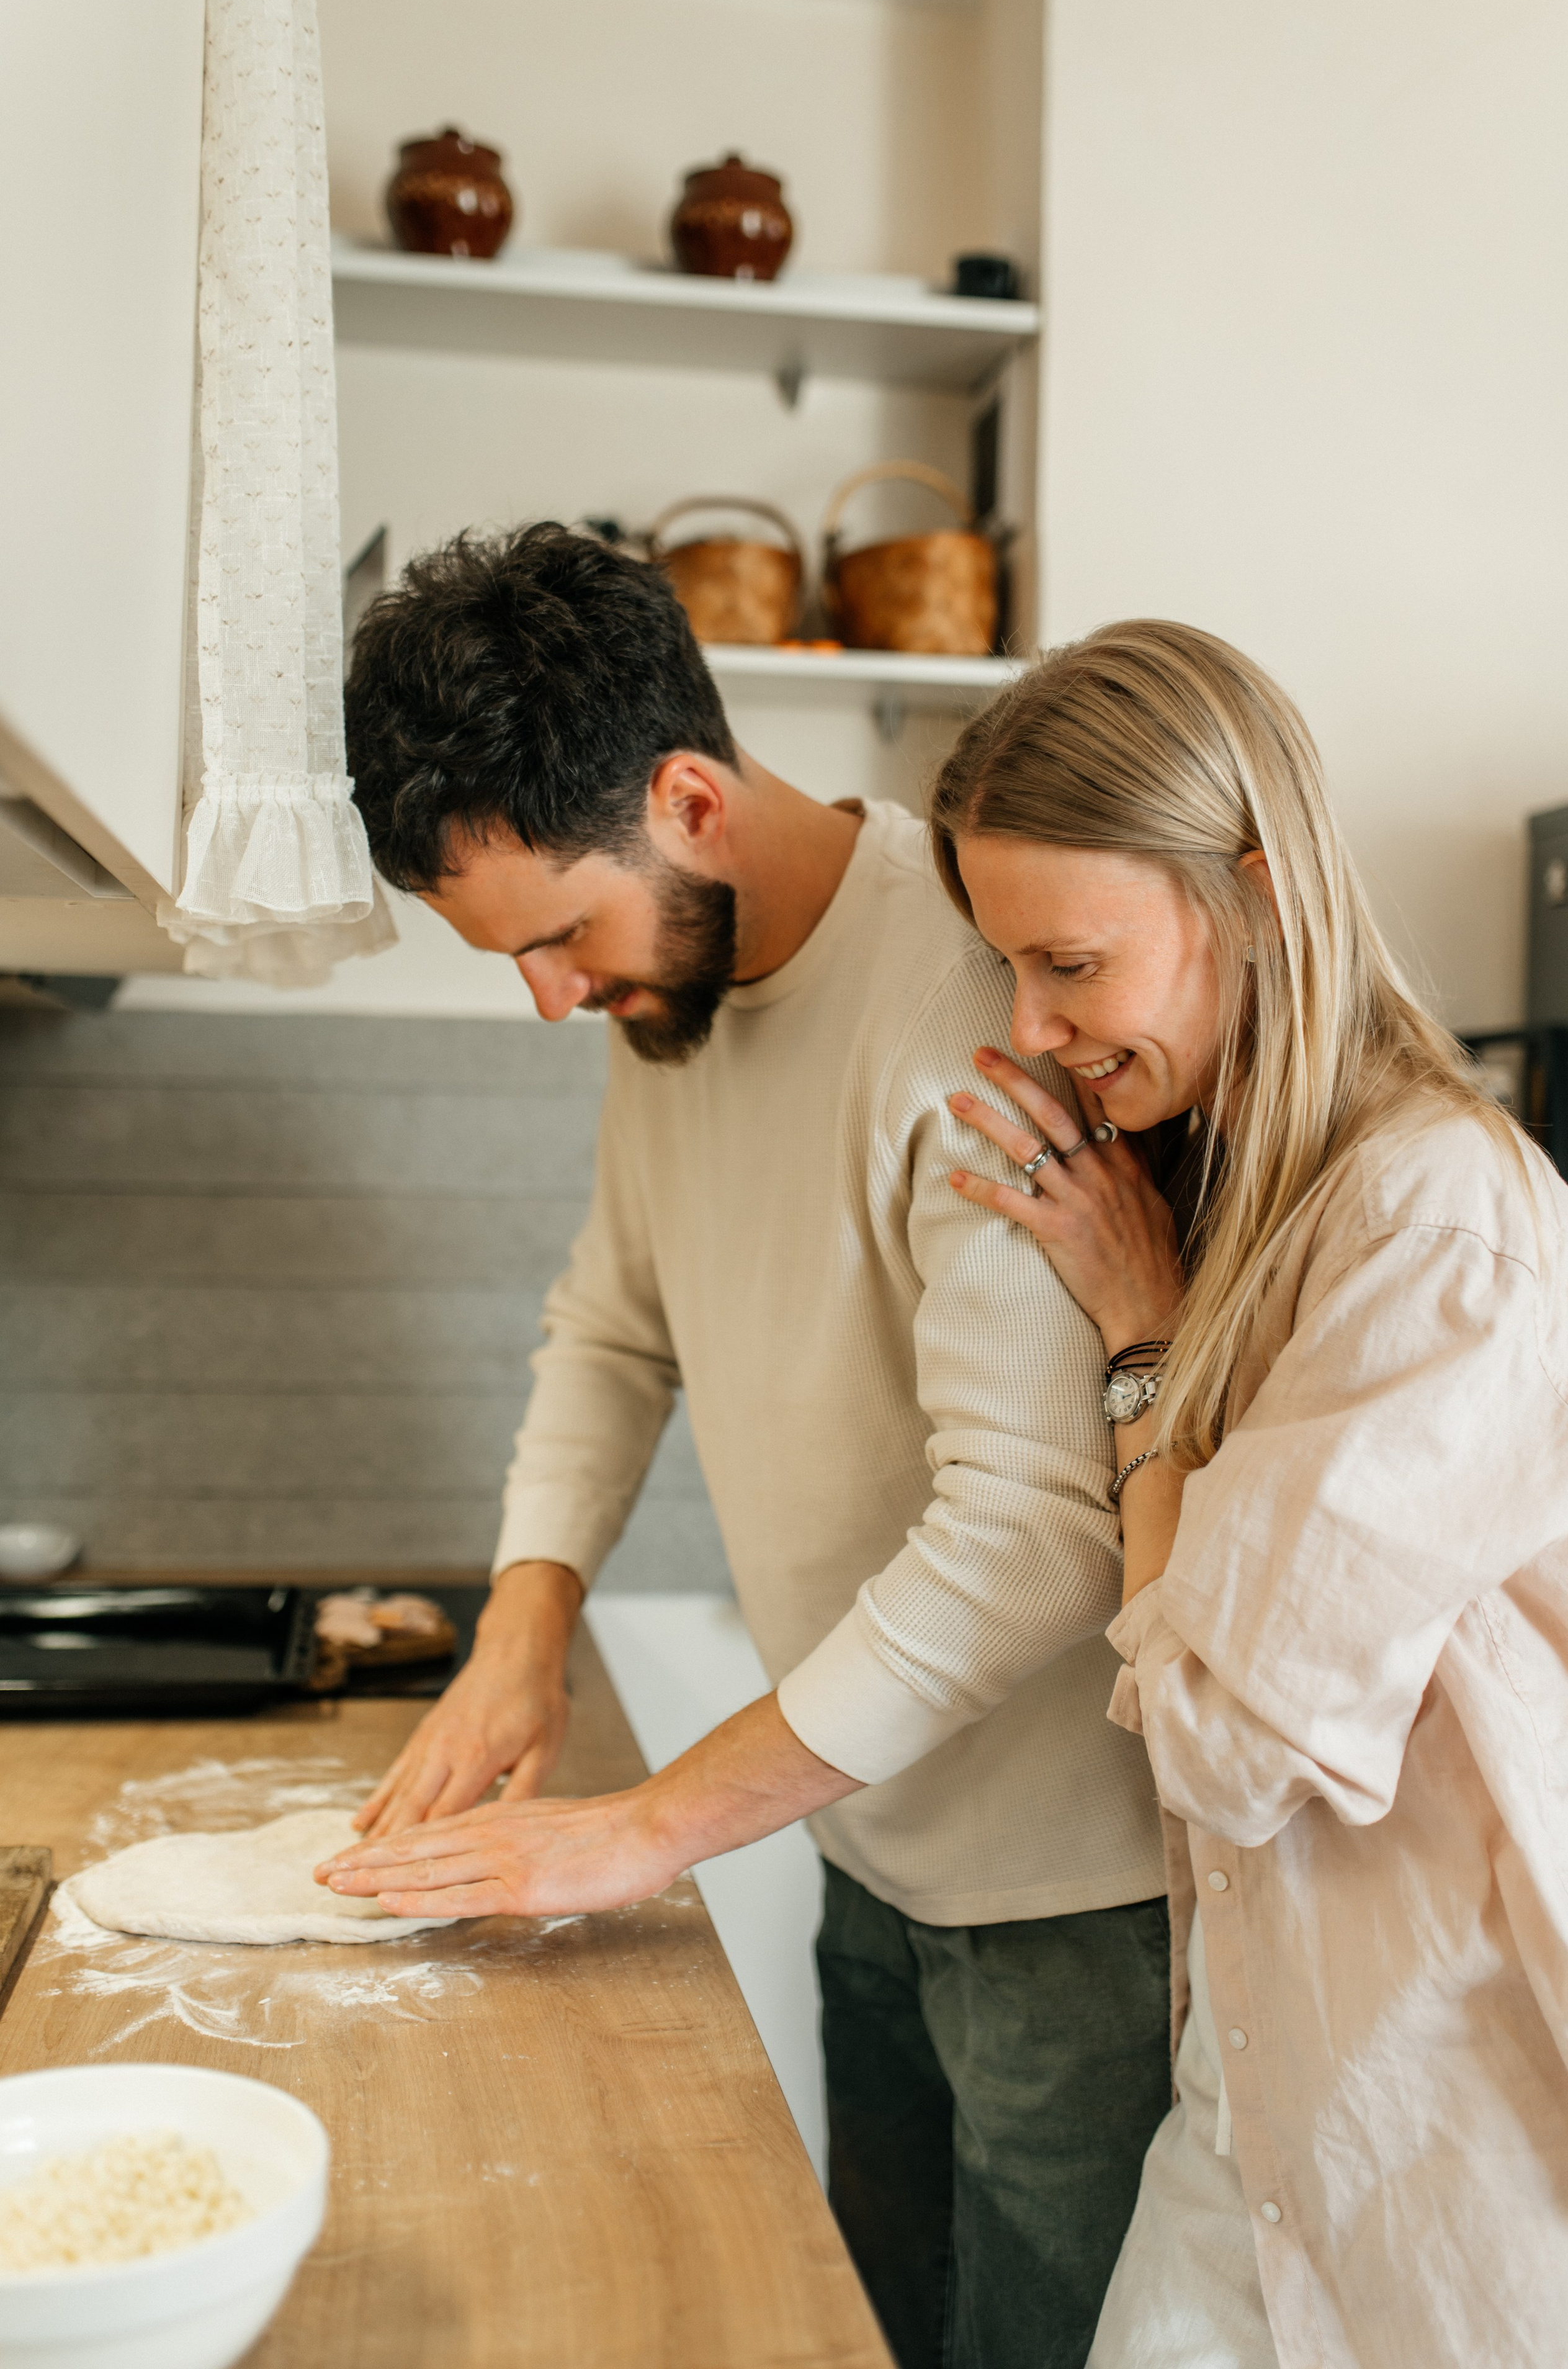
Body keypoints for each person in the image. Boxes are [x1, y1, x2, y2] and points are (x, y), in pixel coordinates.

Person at [324, 524, 1172, 2369]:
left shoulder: (971, 1010)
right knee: (872, 2328)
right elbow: (612, 1326)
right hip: (868, 1843)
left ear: (689, 796)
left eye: (560, 936)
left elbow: (1035, 1532)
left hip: (1075, 1910)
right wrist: (522, 1633)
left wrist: (640, 1830)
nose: (550, 999)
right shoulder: (673, 996)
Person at [927, 616, 1568, 2368]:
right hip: (1277, 2057)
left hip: (1459, 2098)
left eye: (1070, 963)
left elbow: (1225, 1739)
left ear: (1258, 894)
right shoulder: (1263, 1184)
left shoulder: (1438, 1228)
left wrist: (1144, 1347)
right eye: (1008, 969)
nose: (1035, 1027)